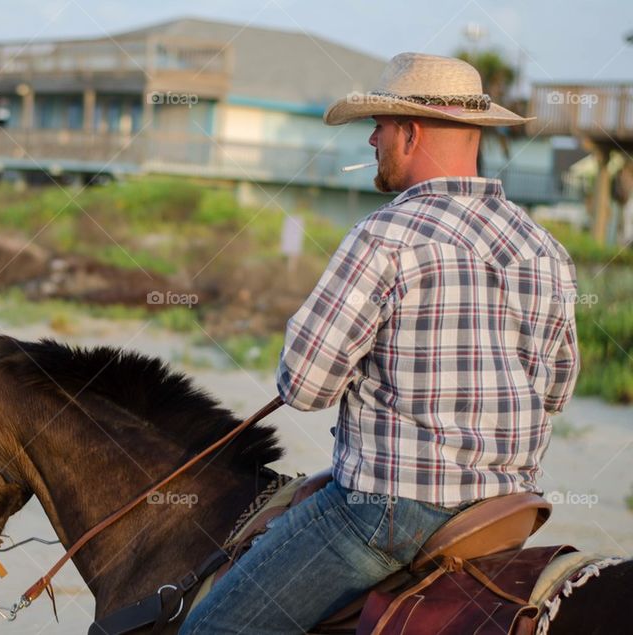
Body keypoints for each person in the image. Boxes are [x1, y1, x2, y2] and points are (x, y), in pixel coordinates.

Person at [180, 52, 580, 634]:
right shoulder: (544, 247)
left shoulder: (385, 235)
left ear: (411, 132)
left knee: (209, 629)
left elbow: (306, 386)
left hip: (391, 515)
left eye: (381, 125)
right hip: (506, 511)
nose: (372, 139)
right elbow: (557, 391)